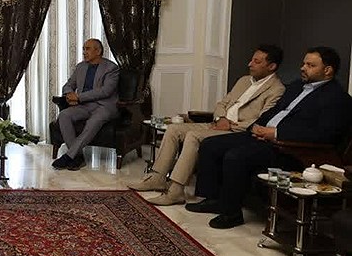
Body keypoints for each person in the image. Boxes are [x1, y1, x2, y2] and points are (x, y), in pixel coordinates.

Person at [187, 46, 352, 229]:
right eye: (304, 63)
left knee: (236, 156)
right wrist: (256, 126)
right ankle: (213, 199)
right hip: (263, 135)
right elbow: (275, 110)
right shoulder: (296, 86)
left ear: (327, 70)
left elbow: (324, 134)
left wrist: (275, 134)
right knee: (210, 145)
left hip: (288, 148)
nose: (303, 68)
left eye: (310, 65)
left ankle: (231, 213)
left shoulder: (337, 98)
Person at [128, 45, 286, 205]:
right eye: (251, 59)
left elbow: (262, 120)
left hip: (236, 132)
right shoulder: (244, 81)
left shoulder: (277, 90)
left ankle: (176, 190)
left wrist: (230, 125)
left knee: (193, 136)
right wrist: (221, 118)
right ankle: (157, 178)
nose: (250, 64)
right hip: (217, 123)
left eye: (257, 62)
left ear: (271, 66)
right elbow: (222, 104)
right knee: (174, 129)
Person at [51, 39, 120, 170]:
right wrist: (69, 94)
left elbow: (106, 91)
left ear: (98, 51)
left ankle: (69, 156)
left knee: (94, 121)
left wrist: (78, 97)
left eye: (87, 49)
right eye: (83, 49)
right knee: (64, 115)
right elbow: (68, 85)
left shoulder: (111, 68)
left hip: (103, 106)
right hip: (84, 105)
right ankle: (77, 156)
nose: (84, 52)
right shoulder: (80, 67)